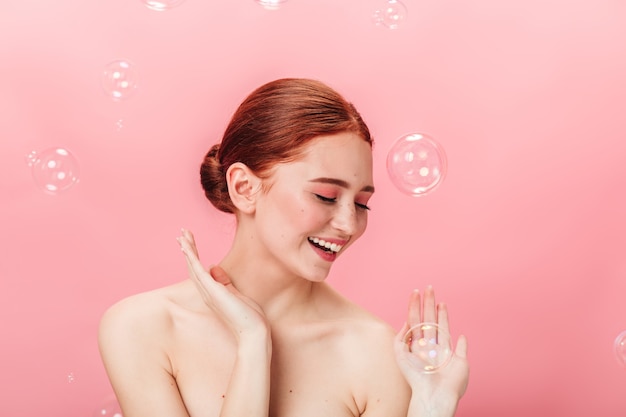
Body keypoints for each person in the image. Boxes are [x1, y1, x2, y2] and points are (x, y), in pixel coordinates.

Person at [98, 78, 469, 417]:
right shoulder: (142, 328)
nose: (348, 224)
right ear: (244, 188)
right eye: (326, 196)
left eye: (361, 203)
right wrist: (253, 343)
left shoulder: (374, 352)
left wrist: (430, 409)